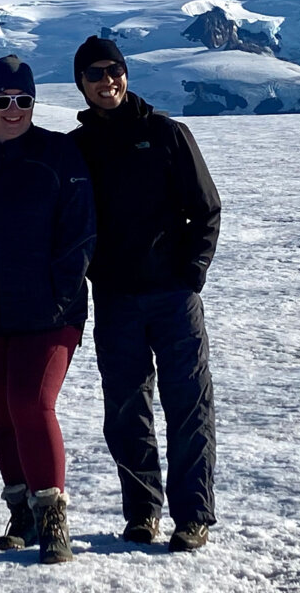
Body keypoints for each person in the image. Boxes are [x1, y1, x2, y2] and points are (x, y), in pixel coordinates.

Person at [69, 36, 221, 552]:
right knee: (126, 409)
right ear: (81, 84)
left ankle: (193, 516)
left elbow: (205, 209)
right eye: (94, 74)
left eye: (114, 70)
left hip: (172, 297)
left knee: (188, 404)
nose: (106, 80)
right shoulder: (79, 145)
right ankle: (141, 514)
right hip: (115, 297)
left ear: (126, 74)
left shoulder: (165, 133)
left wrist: (192, 272)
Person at [0, 55, 96, 564]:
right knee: (4, 413)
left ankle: (53, 516)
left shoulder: (59, 155)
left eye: (23, 100)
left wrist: (60, 295)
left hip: (49, 313)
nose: (13, 110)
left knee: (31, 403)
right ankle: (22, 513)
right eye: (2, 100)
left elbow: (80, 233)